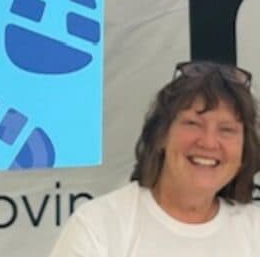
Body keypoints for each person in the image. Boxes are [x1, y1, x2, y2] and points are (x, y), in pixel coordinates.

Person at [49, 61, 260, 256]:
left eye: (227, 130)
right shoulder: (98, 226)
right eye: (193, 124)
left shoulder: (254, 231)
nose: (209, 142)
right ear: (161, 135)